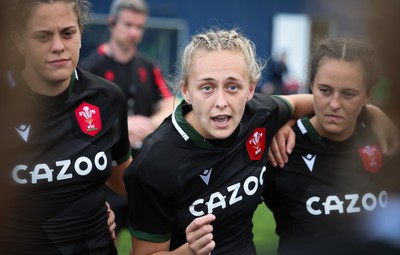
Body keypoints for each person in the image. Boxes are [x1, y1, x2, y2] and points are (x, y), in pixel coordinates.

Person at [123, 28, 392, 255]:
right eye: (206, 87)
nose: (220, 102)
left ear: (251, 89)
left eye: (233, 86)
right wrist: (188, 251)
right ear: (185, 91)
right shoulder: (155, 161)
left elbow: (315, 103)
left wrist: (371, 112)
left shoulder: (261, 114)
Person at [1, 0, 132, 254]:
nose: (58, 47)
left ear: (81, 33)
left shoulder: (107, 98)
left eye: (68, 33)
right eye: (42, 36)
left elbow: (126, 182)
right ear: (19, 42)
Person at [263, 37, 400, 255]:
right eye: (325, 90)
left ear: (369, 95)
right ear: (310, 86)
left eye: (348, 94)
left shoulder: (386, 141)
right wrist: (279, 121)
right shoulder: (280, 147)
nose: (335, 104)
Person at [79, 0, 174, 237]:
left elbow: (170, 104)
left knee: (149, 242)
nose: (134, 32)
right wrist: (122, 125)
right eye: (128, 24)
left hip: (142, 171)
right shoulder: (89, 68)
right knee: (102, 241)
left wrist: (150, 123)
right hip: (104, 176)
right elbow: (77, 117)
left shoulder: (149, 66)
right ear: (112, 23)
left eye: (139, 27)